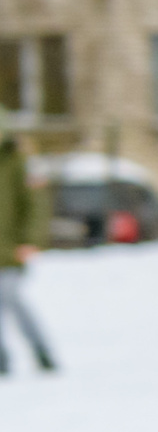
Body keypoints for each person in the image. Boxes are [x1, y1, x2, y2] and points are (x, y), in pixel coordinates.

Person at [0, 133, 60, 376]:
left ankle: (41, 351)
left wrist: (31, 240)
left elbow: (36, 203)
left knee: (10, 298)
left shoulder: (18, 161)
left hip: (11, 248)